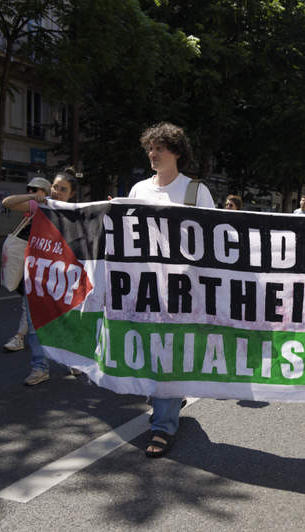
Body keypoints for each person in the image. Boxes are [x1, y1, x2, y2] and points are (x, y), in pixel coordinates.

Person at [128, 121, 214, 458]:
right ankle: (168, 396)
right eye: (149, 148)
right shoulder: (138, 190)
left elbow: (214, 241)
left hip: (182, 290)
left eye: (158, 148)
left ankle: (163, 427)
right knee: (151, 352)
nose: (152, 154)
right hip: (145, 288)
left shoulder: (195, 192)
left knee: (167, 354)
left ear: (176, 152)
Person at [3, 171, 82, 386]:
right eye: (55, 187)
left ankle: (72, 360)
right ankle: (40, 368)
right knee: (35, 323)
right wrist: (32, 197)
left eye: (62, 189)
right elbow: (8, 202)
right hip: (36, 276)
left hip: (61, 278)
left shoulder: (76, 213)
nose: (57, 192)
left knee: (64, 322)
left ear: (72, 194)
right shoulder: (40, 206)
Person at [2, 177, 52, 354]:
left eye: (35, 189)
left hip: (44, 262)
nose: (31, 192)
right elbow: (7, 202)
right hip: (34, 260)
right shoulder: (35, 205)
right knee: (30, 299)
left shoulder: (47, 207)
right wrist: (30, 197)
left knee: (33, 300)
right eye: (29, 189)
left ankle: (22, 337)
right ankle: (24, 336)